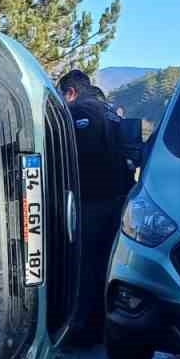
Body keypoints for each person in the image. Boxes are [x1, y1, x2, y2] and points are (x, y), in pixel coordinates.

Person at [58, 68, 139, 344]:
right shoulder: (109, 111)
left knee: (84, 264)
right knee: (105, 263)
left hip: (91, 199)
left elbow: (77, 156)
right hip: (116, 198)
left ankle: (79, 329)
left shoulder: (80, 111)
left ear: (70, 92)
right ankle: (100, 325)